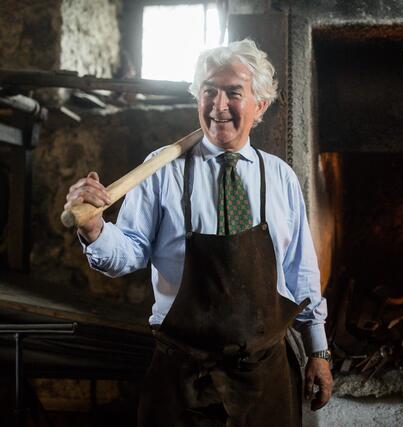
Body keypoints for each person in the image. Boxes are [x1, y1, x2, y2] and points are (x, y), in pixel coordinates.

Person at [64, 39, 333, 426]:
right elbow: (128, 254)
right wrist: (94, 229)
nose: (218, 105)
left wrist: (318, 353)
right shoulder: (162, 170)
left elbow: (301, 273)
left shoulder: (280, 178)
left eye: (233, 93)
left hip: (263, 375)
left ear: (260, 105)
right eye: (209, 91)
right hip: (182, 375)